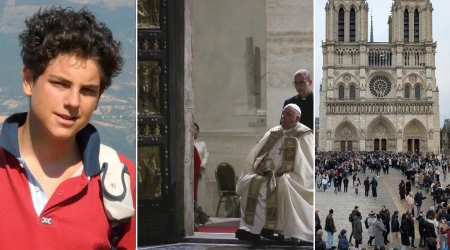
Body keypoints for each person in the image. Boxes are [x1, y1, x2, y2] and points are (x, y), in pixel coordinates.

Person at [0, 6, 136, 249]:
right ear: (29, 80)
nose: (73, 102)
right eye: (60, 84)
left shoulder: (123, 181)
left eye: (87, 90)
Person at [236, 104, 314, 244]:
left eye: (288, 114)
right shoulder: (274, 132)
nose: (284, 116)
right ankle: (253, 230)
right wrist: (258, 165)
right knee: (251, 182)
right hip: (266, 174)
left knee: (283, 184)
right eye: (283, 113)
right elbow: (258, 154)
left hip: (290, 175)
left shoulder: (304, 134)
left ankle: (281, 230)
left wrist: (287, 168)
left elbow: (307, 163)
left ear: (297, 118)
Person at [193, 123, 207, 205]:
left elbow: (206, 155)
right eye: (193, 129)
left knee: (200, 191)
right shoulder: (187, 144)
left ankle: (201, 211)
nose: (194, 131)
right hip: (192, 171)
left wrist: (202, 165)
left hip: (200, 170)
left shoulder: (202, 144)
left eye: (196, 130)